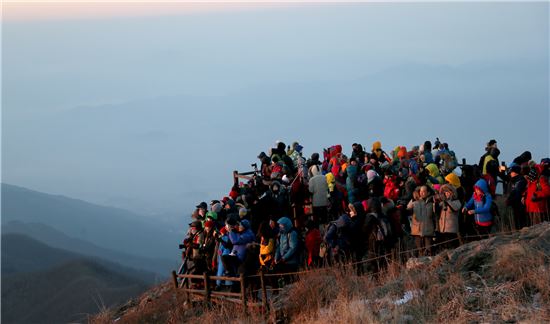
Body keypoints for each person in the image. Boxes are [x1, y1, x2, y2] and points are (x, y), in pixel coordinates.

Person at [407, 186, 435, 256]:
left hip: (428, 230)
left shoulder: (432, 203)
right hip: (417, 230)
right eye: (420, 191)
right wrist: (413, 199)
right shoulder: (414, 202)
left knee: (429, 250)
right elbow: (407, 209)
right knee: (419, 250)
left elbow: (435, 215)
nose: (421, 193)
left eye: (424, 191)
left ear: (428, 193)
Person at [436, 184, 462, 250]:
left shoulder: (457, 201)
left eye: (448, 192)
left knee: (453, 245)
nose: (447, 194)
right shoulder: (442, 203)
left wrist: (447, 202)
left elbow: (455, 208)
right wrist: (436, 203)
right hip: (443, 228)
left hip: (452, 229)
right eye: (445, 192)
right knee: (445, 246)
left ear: (452, 193)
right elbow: (436, 212)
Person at [505, 165, 527, 229]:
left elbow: (517, 193)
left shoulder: (520, 180)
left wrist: (510, 201)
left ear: (515, 172)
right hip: (515, 205)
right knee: (516, 222)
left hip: (519, 205)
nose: (510, 173)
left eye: (511, 172)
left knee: (520, 222)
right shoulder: (514, 180)